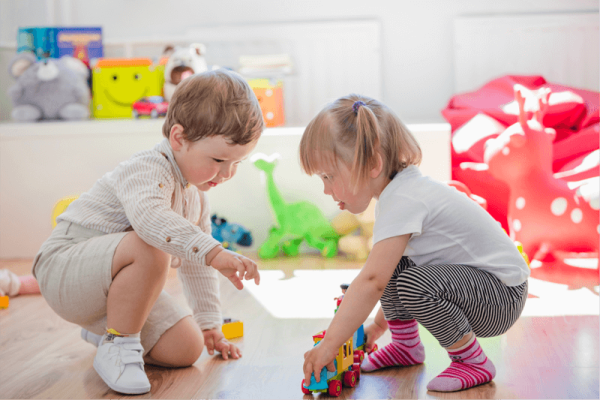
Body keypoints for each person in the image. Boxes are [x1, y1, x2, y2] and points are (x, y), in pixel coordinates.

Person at [32, 69, 264, 395]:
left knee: (187, 346)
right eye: (218, 159)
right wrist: (214, 252)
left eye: (237, 163)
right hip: (65, 269)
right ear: (179, 138)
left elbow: (197, 264)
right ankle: (119, 345)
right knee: (149, 243)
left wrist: (210, 323)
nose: (227, 173)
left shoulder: (196, 196)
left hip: (106, 290)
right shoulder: (147, 168)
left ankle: (107, 333)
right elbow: (152, 222)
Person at [300, 95, 529, 392]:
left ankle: (473, 361)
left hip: (501, 298)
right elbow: (386, 273)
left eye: (329, 176)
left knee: (413, 281)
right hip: (486, 290)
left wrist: (331, 343)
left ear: (372, 164)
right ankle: (406, 346)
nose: (326, 189)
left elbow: (372, 282)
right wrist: (377, 328)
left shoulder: (404, 199)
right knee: (398, 267)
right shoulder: (398, 194)